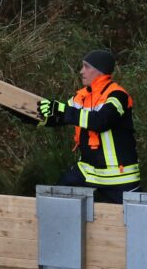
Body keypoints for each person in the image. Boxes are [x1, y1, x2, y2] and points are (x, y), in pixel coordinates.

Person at [36, 49, 140, 203]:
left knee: (131, 221)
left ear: (99, 71)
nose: (81, 71)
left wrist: (61, 109)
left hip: (120, 176)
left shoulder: (118, 96)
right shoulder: (83, 96)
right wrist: (26, 112)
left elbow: (100, 121)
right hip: (89, 171)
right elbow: (60, 117)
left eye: (86, 66)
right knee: (57, 199)